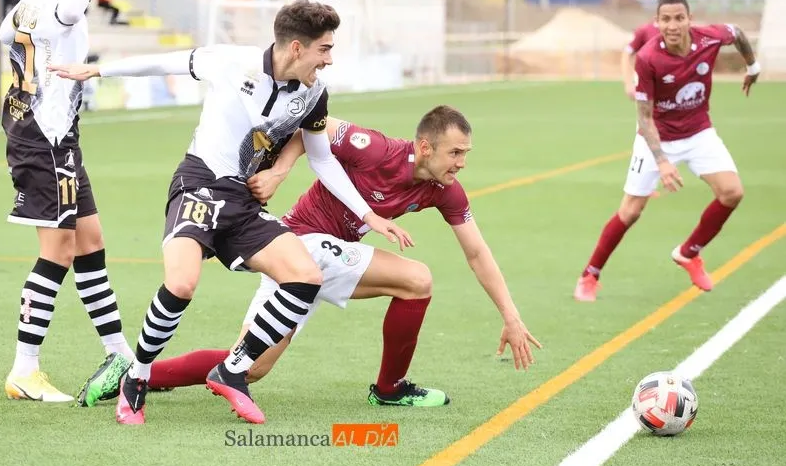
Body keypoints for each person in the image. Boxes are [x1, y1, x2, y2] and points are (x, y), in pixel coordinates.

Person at [48, 0, 413, 425]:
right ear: (297, 47)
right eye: (324, 49)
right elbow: (167, 62)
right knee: (181, 285)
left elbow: (322, 158)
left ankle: (233, 370)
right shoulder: (231, 61)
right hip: (199, 185)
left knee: (305, 277)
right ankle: (138, 377)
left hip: (243, 202)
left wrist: (368, 216)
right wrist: (96, 70)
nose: (329, 60)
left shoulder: (314, 95)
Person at [100, 106, 542, 406]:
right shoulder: (377, 149)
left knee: (251, 367)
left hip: (321, 257)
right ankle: (389, 390)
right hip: (300, 242)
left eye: (466, 154)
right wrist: (279, 170)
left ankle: (139, 375)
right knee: (417, 279)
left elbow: (477, 252)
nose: (462, 162)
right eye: (456, 153)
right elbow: (314, 124)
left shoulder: (445, 189)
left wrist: (512, 316)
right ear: (425, 147)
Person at [0, 0, 134, 403]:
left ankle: (122, 358)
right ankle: (24, 369)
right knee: (56, 252)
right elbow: (71, 5)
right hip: (43, 139)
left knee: (91, 239)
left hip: (56, 139)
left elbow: (9, 36)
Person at [575, 0, 760, 302]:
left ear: (689, 19)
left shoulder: (710, 38)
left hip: (699, 131)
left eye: (679, 18)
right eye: (666, 19)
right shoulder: (648, 58)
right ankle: (590, 274)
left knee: (732, 192)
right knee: (631, 211)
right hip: (656, 136)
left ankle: (688, 253)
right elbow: (644, 117)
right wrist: (662, 161)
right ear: (656, 22)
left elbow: (738, 33)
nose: (673, 25)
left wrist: (753, 67)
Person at [621, 22, 659, 99]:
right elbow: (627, 53)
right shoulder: (645, 30)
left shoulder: (686, 30)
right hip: (648, 85)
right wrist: (628, 83)